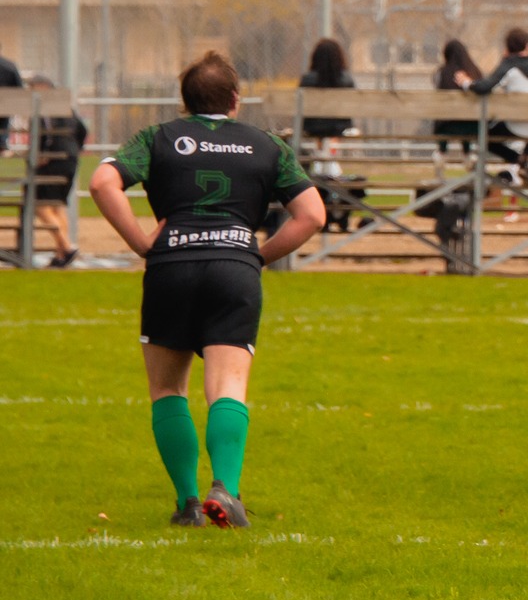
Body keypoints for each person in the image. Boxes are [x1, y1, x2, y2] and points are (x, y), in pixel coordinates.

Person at [87, 51, 326, 528]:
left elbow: (101, 182)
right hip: (234, 267)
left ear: (186, 102)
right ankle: (227, 489)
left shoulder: (158, 138)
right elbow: (313, 215)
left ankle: (189, 504)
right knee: (228, 387)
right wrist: (258, 255)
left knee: (167, 388)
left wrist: (140, 240)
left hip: (171, 265)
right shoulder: (266, 145)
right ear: (235, 100)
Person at [468, 28, 528, 197]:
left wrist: (466, 83)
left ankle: (518, 161)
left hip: (518, 126)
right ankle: (527, 159)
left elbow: (484, 87)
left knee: (484, 135)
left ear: (507, 48)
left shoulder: (509, 65)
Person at [27, 76, 86, 268]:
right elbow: (82, 130)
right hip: (71, 158)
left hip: (56, 159)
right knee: (57, 205)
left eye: (32, 88)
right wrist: (75, 149)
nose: (29, 92)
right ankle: (61, 253)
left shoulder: (44, 107)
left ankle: (67, 247)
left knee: (39, 204)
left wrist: (45, 154)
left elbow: (47, 135)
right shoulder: (66, 107)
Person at [298, 38, 355, 181]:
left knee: (322, 143)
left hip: (312, 129)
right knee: (330, 142)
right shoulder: (346, 80)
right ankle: (330, 178)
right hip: (338, 129)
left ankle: (321, 177)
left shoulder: (307, 80)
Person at [431, 39, 485, 156]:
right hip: (473, 126)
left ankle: (441, 151)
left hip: (447, 125)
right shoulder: (475, 72)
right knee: (465, 119)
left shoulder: (442, 72)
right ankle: (467, 153)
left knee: (443, 115)